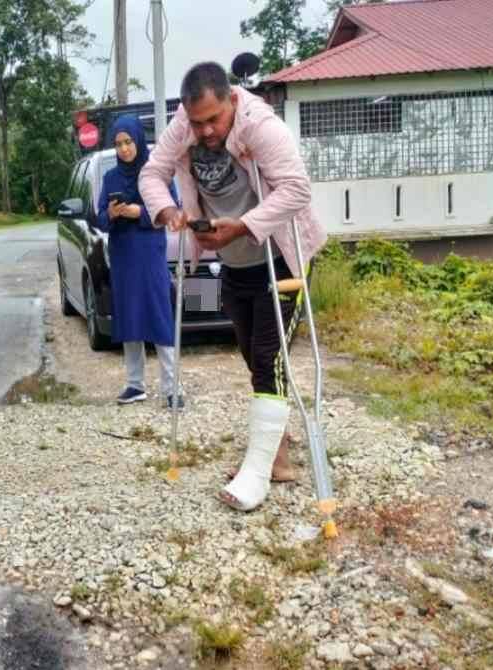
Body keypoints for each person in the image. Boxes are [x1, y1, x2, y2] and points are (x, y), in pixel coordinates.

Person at [138, 62, 327, 512]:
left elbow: (297, 190)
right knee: (252, 356)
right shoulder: (182, 126)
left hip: (280, 256)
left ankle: (261, 470)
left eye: (212, 120)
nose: (203, 131)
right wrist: (168, 212)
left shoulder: (260, 125)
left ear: (231, 100)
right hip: (234, 262)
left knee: (267, 357)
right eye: (195, 121)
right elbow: (151, 175)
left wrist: (240, 226)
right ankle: (275, 452)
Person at [95, 116, 178, 407]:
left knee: (159, 315)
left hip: (150, 253)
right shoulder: (110, 179)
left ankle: (172, 388)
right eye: (118, 144)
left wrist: (138, 213)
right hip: (123, 256)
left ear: (138, 141)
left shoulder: (156, 172)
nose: (124, 149)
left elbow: (172, 209)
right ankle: (135, 385)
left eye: (128, 142)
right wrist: (113, 214)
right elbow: (101, 221)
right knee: (130, 317)